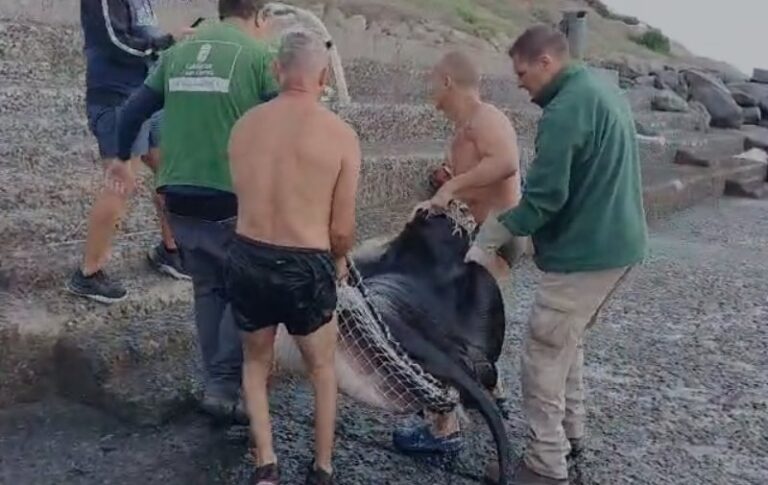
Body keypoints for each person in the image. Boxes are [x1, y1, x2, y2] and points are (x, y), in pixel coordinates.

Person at [475, 25, 648, 485]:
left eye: (522, 71)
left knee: (543, 352)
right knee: (566, 344)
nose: (519, 82)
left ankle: (544, 465)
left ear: (546, 62)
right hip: (618, 245)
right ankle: (571, 436)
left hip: (585, 254)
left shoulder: (566, 109)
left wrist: (492, 234)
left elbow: (545, 199)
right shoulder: (599, 88)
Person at [113, 0, 280, 423]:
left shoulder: (178, 52)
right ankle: (226, 387)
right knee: (245, 293)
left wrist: (120, 157)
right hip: (232, 196)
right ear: (260, 17)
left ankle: (216, 384)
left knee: (208, 289)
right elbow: (291, 117)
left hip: (179, 195)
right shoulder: (261, 57)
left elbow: (132, 110)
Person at [225, 30, 361, 485]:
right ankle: (321, 468)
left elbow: (241, 194)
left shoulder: (244, 125)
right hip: (306, 263)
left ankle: (266, 464)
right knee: (322, 368)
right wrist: (339, 262)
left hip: (248, 254)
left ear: (277, 70)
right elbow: (341, 229)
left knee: (255, 362)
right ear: (323, 77)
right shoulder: (341, 136)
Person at [392, 50, 523, 455]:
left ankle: (443, 428)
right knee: (469, 324)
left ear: (447, 81)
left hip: (497, 236)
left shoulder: (487, 118)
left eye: (433, 81)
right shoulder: (463, 129)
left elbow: (505, 162)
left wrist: (450, 188)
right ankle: (490, 391)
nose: (430, 90)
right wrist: (447, 188)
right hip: (479, 232)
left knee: (448, 326)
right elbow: (475, 180)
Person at [67, 0, 193, 304]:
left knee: (172, 169)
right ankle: (88, 274)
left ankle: (170, 251)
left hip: (148, 95)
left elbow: (146, 42)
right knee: (120, 184)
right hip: (117, 100)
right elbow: (115, 44)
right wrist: (166, 41)